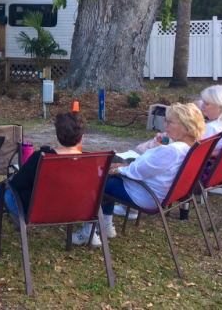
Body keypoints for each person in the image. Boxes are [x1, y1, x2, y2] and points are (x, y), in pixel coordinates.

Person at [74, 104, 205, 246]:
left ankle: (89, 232)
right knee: (108, 172)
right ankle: (106, 225)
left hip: (145, 194)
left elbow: (138, 172)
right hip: (157, 192)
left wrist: (118, 169)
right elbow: (145, 169)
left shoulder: (172, 151)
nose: (165, 125)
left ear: (186, 127)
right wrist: (123, 167)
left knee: (95, 179)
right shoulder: (191, 147)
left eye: (170, 122)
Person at [0, 111, 85, 216]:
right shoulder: (91, 161)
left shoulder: (41, 157)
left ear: (57, 135)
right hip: (72, 210)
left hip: (38, 212)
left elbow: (17, 184)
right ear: (81, 138)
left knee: (6, 191)